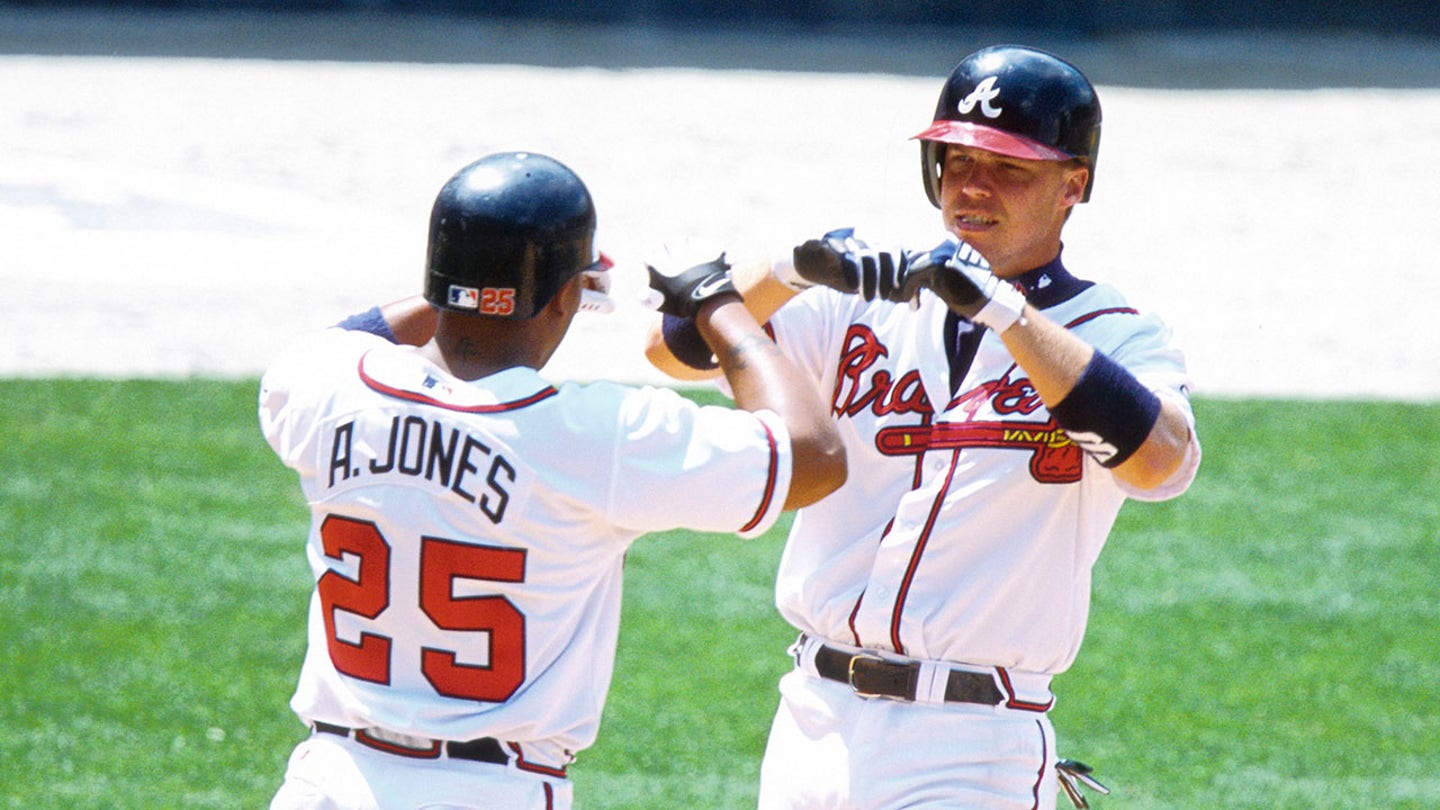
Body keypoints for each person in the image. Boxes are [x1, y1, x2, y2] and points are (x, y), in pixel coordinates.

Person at [644, 45, 1202, 809]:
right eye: (955, 159)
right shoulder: (859, 303)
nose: (972, 186)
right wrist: (790, 266)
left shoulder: (1116, 335)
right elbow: (670, 349)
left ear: (1074, 184)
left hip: (971, 744)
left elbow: (1162, 466)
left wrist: (1001, 310)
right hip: (813, 720)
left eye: (1010, 168)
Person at [258, 150, 846, 810]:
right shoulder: (596, 437)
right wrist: (714, 300)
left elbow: (352, 335)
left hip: (329, 781)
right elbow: (815, 455)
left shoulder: (324, 387)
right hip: (487, 791)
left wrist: (472, 282)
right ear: (571, 296)